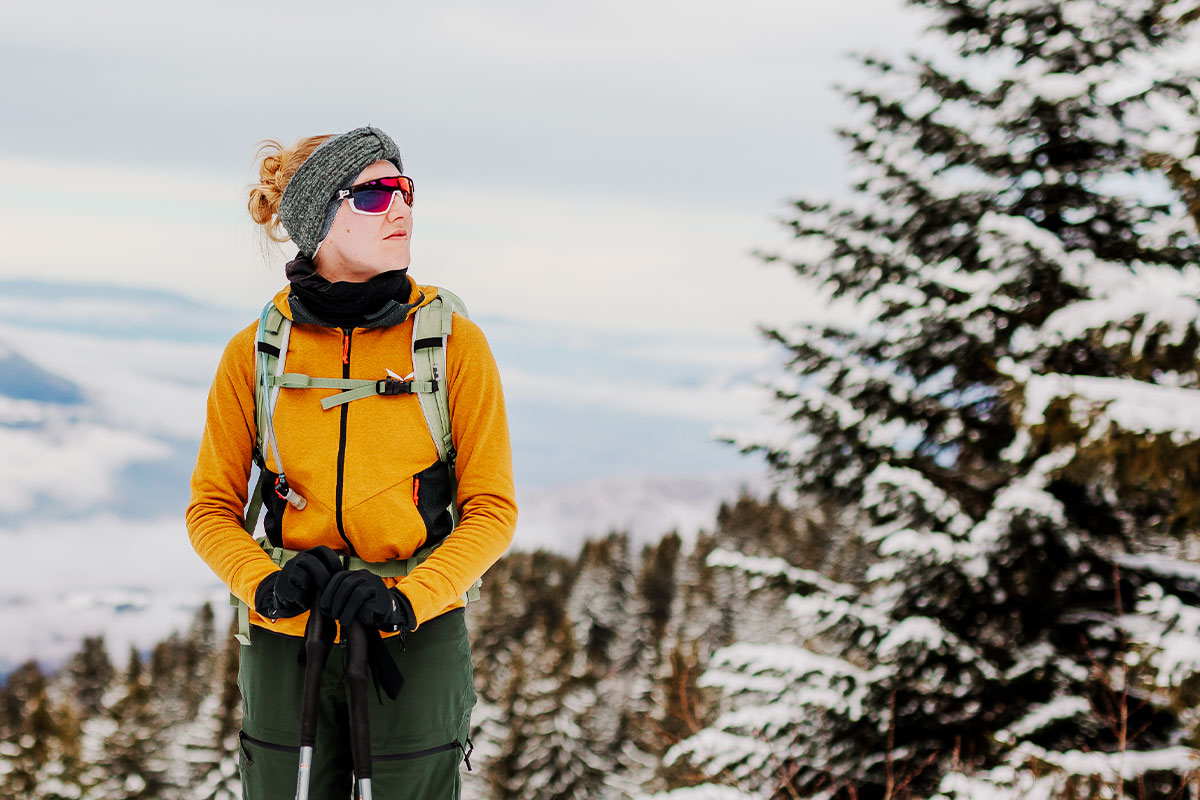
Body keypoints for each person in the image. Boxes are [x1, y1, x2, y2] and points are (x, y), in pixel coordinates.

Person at [185, 125, 517, 799]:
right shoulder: (256, 354)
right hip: (288, 636)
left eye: (404, 190)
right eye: (373, 195)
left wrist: (407, 598)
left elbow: (493, 511)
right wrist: (264, 584)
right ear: (317, 217)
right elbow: (209, 510)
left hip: (412, 637)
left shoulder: (452, 347)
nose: (401, 209)